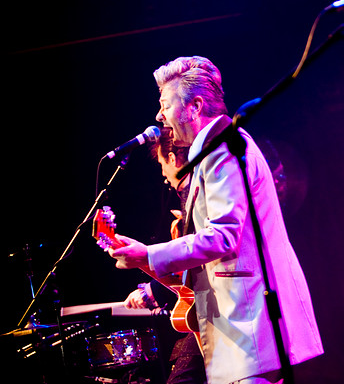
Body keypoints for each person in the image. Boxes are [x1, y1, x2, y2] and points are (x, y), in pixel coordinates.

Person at [107, 55, 323, 384]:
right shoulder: (211, 150)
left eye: (165, 104)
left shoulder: (222, 150)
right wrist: (146, 257)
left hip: (251, 322)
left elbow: (222, 237)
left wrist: (150, 255)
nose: (159, 115)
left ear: (194, 106)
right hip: (240, 325)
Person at [122, 128, 207, 384]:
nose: (162, 173)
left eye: (161, 163)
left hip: (216, 313)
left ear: (171, 159)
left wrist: (152, 289)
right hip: (202, 316)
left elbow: (198, 261)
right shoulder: (188, 195)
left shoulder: (197, 192)